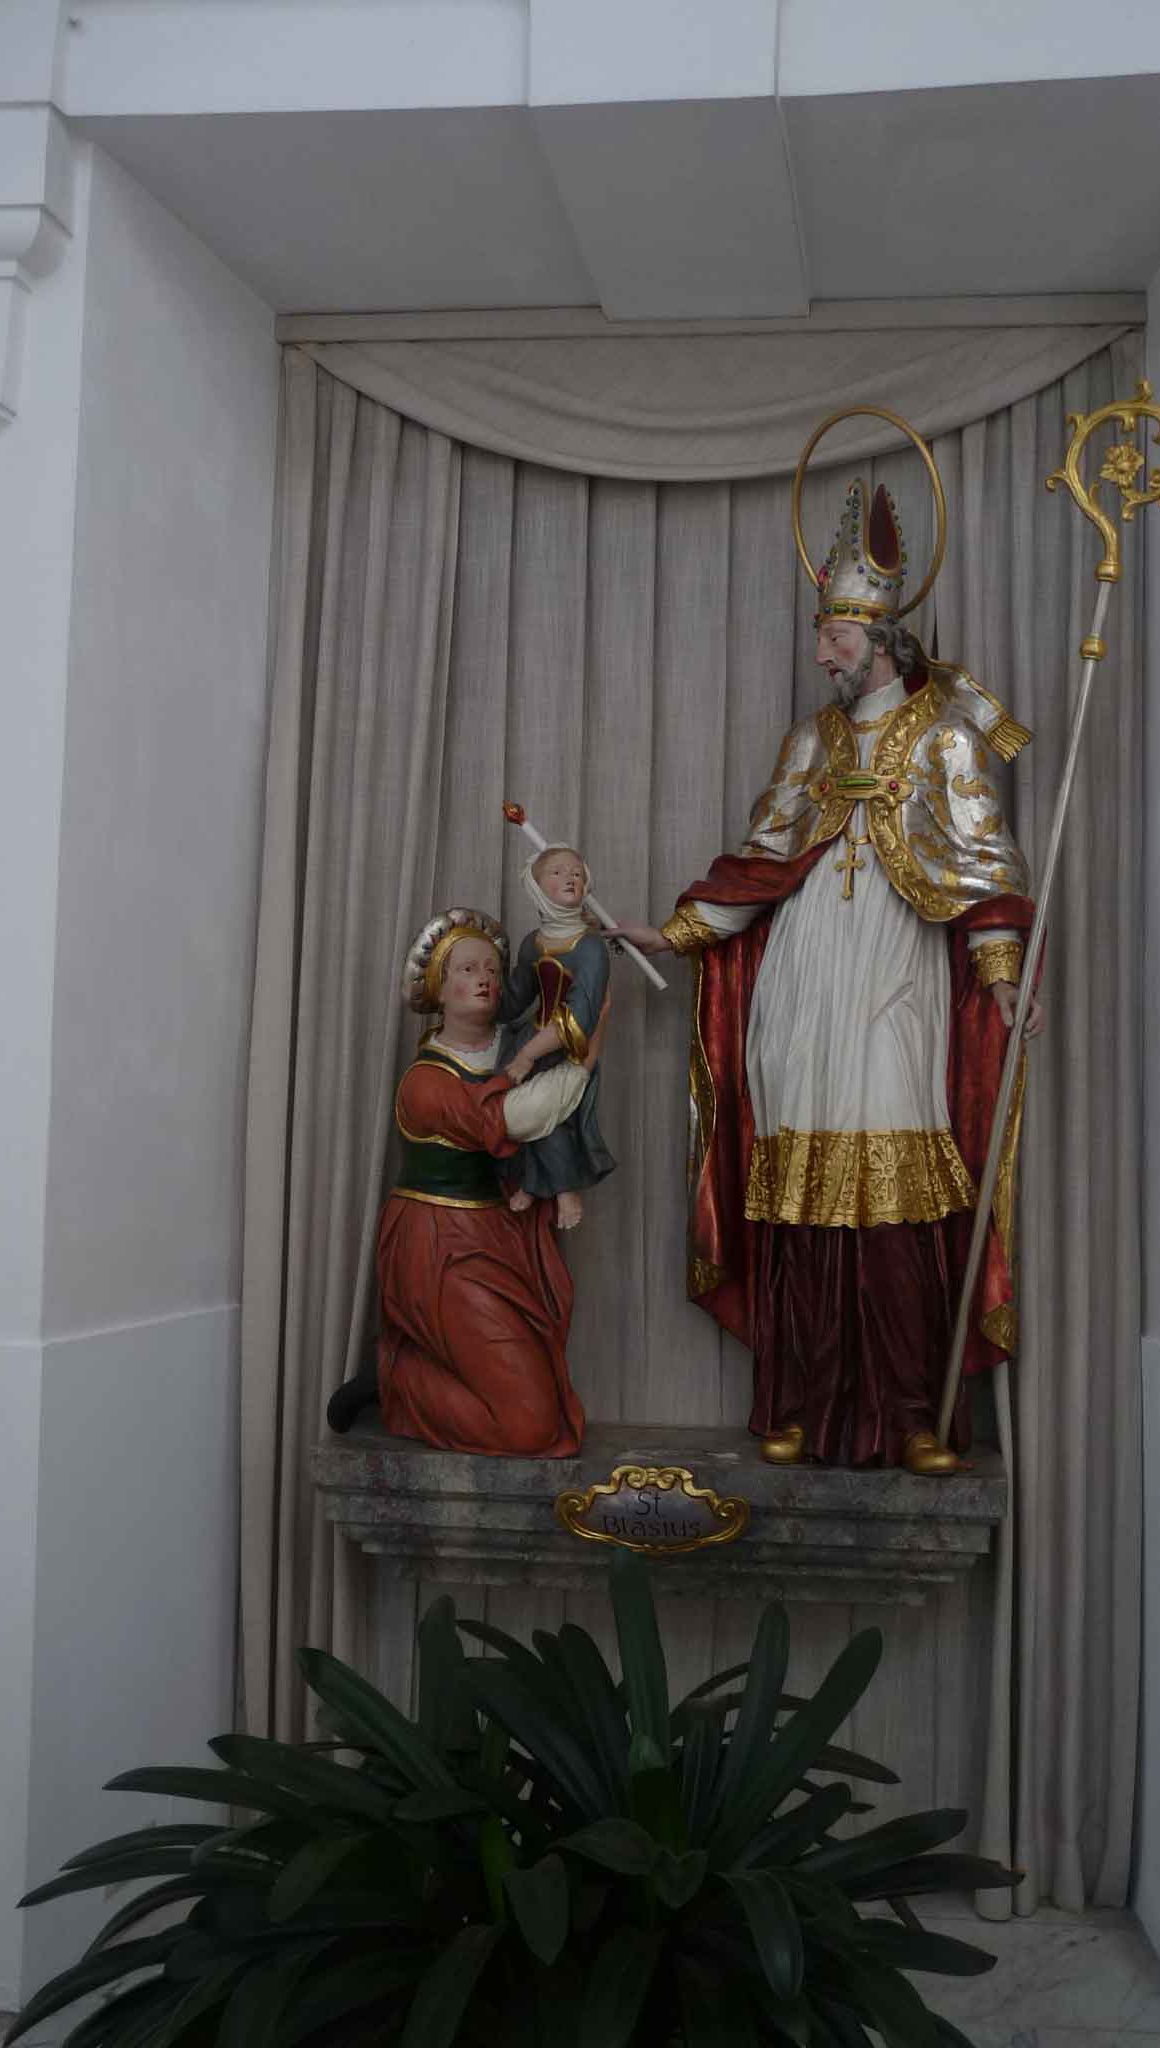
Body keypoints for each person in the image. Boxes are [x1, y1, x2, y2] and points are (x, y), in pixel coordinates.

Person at [612, 468, 1042, 1474]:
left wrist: (1000, 968)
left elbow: (986, 861)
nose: (821, 652)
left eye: (835, 635)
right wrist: (676, 932)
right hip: (804, 977)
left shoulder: (945, 737)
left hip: (895, 969)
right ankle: (798, 1400)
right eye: (821, 634)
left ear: (879, 633)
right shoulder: (811, 739)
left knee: (898, 1181)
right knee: (801, 1185)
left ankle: (911, 1410)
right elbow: (765, 855)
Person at [369, 906, 608, 1458]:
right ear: (438, 986)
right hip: (440, 1246)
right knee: (528, 1427)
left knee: (537, 1400)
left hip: (503, 1236)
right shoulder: (426, 1081)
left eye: (494, 970)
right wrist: (584, 1058)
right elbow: (509, 1118)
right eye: (467, 969)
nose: (485, 979)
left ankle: (427, 1376)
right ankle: (398, 1377)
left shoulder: (515, 1046)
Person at [495, 845, 615, 1233]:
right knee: (508, 1108)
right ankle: (532, 1181)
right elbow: (516, 998)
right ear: (535, 886)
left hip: (570, 1046)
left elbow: (581, 1016)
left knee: (551, 1116)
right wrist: (482, 995)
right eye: (558, 872)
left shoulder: (590, 948)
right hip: (531, 1037)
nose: (570, 878)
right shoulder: (534, 943)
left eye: (577, 873)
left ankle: (565, 1189)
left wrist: (529, 1054)